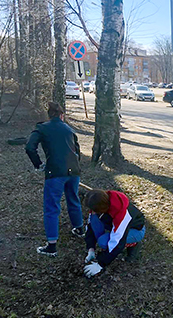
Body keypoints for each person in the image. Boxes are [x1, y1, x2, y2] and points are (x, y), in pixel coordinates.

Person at [26, 102, 84, 257]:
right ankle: (80, 229)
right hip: (74, 171)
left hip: (55, 173)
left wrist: (38, 164)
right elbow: (77, 151)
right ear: (61, 115)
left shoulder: (42, 128)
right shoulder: (69, 129)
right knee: (74, 199)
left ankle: (51, 246)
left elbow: (29, 147)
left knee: (52, 207)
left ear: (49, 115)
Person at [82, 189, 146, 278]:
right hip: (116, 226)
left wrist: (101, 264)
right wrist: (91, 248)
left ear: (102, 208)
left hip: (136, 230)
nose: (92, 212)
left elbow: (117, 241)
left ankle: (134, 244)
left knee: (104, 242)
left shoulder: (122, 213)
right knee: (95, 220)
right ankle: (107, 250)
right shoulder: (98, 203)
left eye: (95, 210)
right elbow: (91, 226)